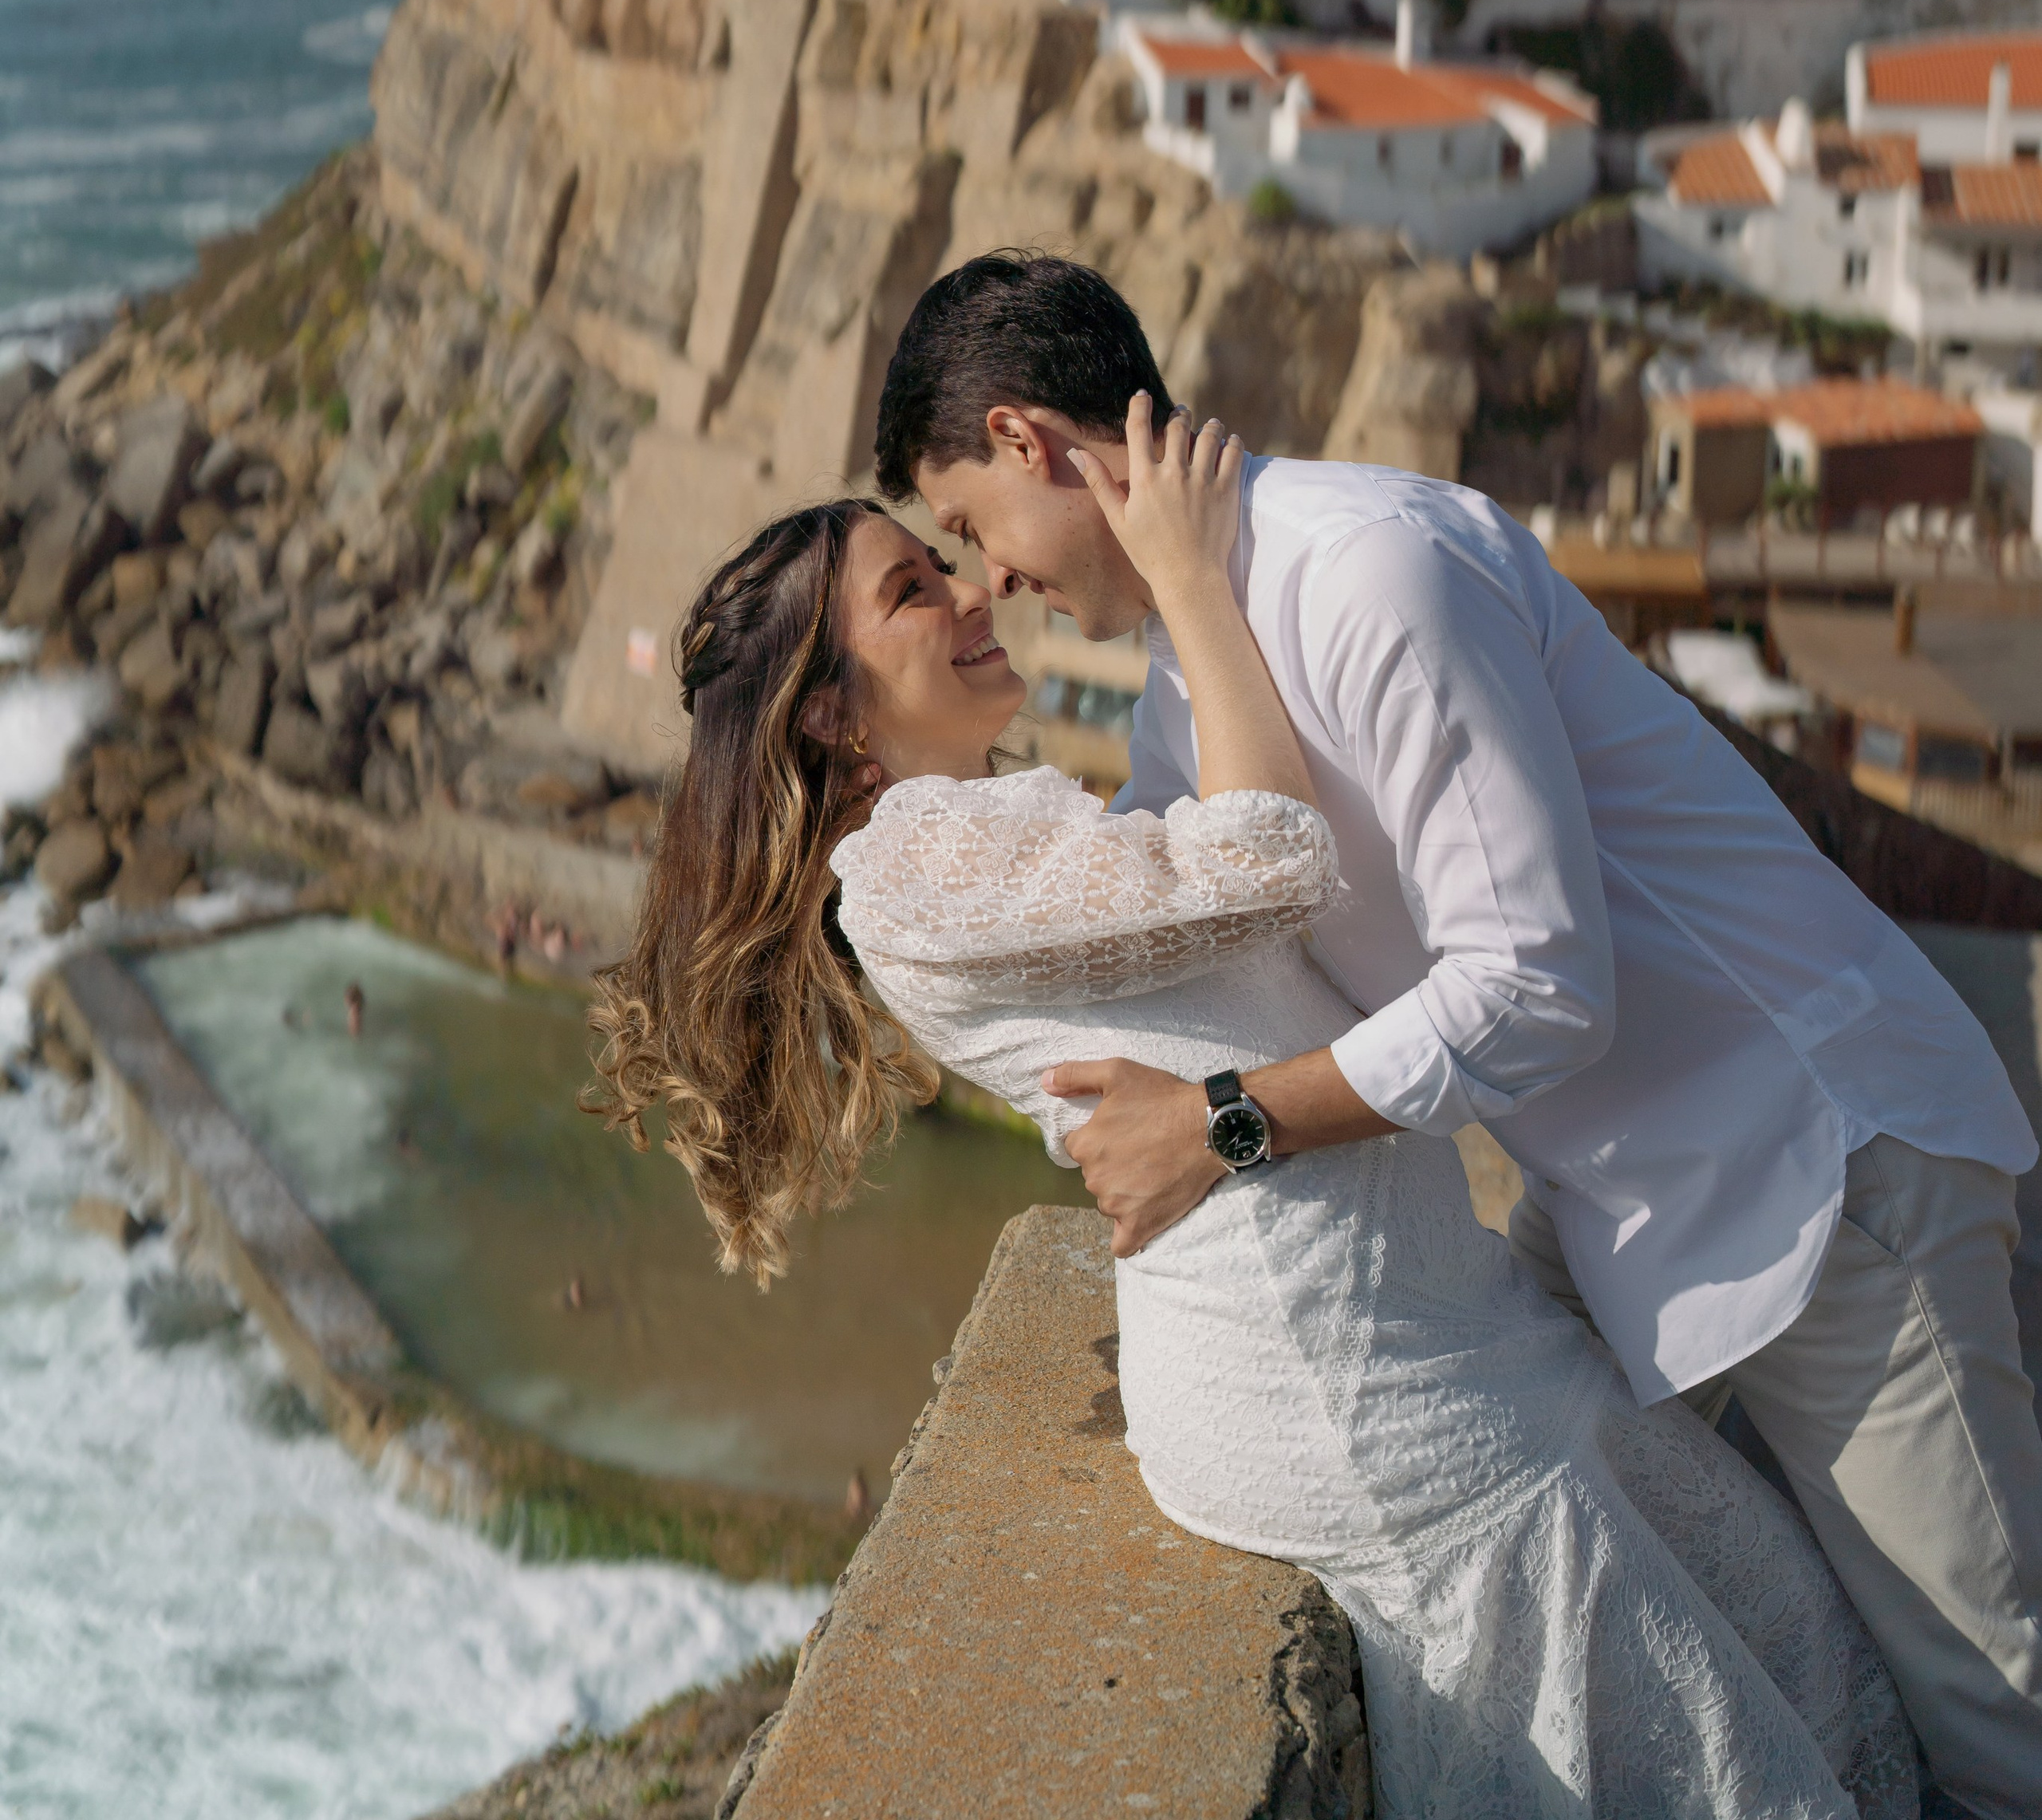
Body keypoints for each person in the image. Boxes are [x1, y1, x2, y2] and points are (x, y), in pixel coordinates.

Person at [870, 250, 2042, 1820]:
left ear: (1028, 441)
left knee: (1993, 1714)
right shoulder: (1190, 660)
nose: (987, 575)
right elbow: (1187, 897)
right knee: (1810, 1670)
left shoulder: (1364, 570)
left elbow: (1538, 983)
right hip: (1628, 1204)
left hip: (1818, 1164)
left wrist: (1220, 1119)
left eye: (967, 529)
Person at [592, 433, 1917, 1817]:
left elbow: (1225, 898)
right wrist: (1187, 578)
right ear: (826, 715)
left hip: (1416, 1329)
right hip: (1343, 1378)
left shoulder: (990, 831)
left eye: (947, 559)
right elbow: (1270, 856)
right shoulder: (915, 859)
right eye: (915, 591)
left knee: (1768, 1649)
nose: (973, 590)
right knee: (1724, 1735)